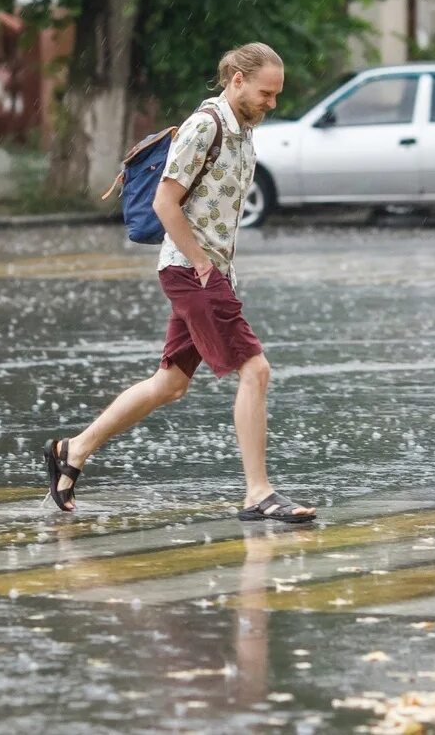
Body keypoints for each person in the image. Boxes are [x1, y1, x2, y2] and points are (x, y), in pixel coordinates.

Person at [44, 42, 317, 524]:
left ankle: (72, 450)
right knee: (256, 371)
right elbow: (164, 202)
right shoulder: (205, 126)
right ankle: (259, 493)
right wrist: (203, 266)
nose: (272, 104)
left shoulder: (242, 130)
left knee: (169, 384)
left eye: (276, 96)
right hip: (193, 271)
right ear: (236, 80)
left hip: (209, 271)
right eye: (265, 93)